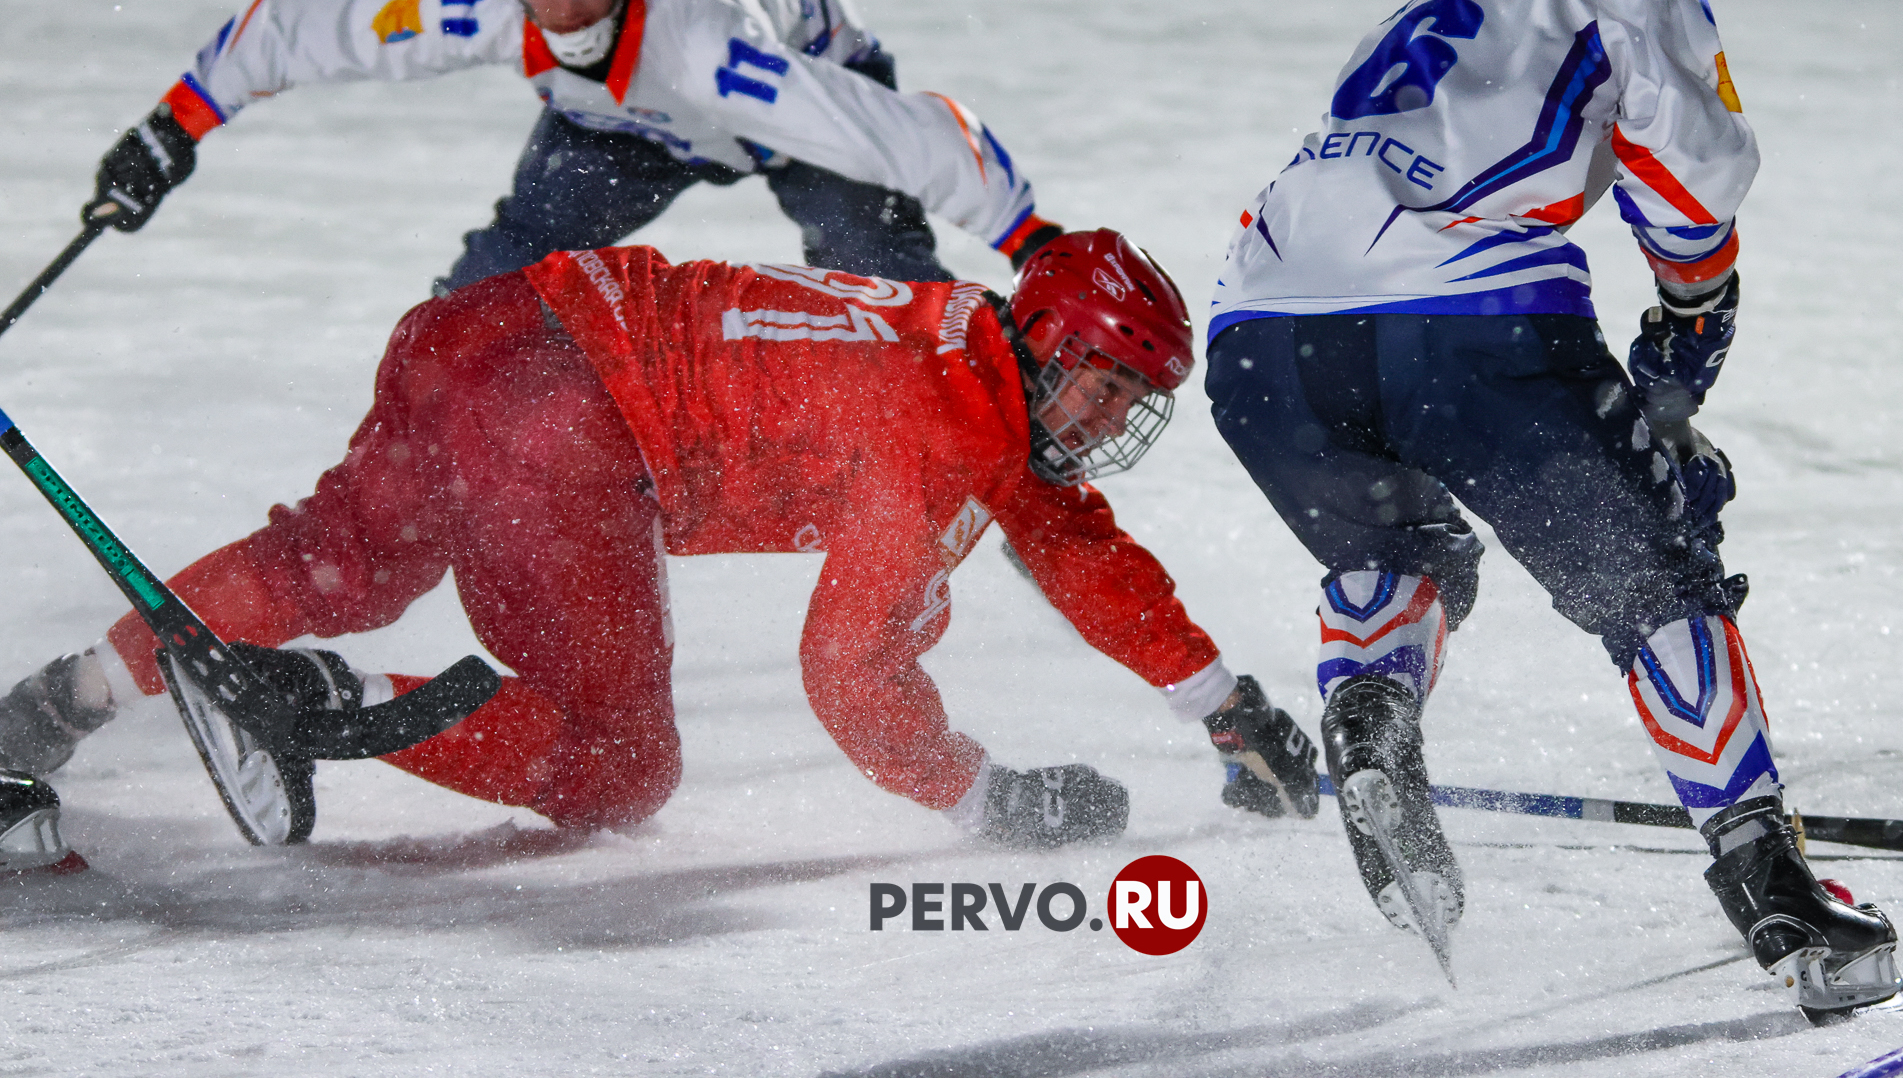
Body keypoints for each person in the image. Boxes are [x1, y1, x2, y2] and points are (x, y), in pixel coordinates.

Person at [1202, 0, 1903, 1015]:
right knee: (1656, 583)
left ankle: (1370, 717)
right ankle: (1775, 890)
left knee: (1398, 547)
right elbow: (1690, 186)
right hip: (1460, 321)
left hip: (1262, 331)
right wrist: (1688, 331)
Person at [0, 232, 1320, 849]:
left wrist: (1222, 699)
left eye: (1126, 399)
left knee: (331, 560)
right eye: (1094, 377)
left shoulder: (967, 340)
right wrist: (985, 794)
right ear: (1041, 338)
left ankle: (68, 697)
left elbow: (1070, 535)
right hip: (570, 421)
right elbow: (849, 677)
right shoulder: (944, 430)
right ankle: (323, 700)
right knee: (620, 761)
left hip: (491, 325)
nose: (1100, 416)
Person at [82, 0, 1064, 292]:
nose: (562, 4)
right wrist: (173, 127)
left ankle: (990, 435)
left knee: (877, 274)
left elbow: (885, 131)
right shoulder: (482, 0)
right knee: (492, 297)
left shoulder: (705, 46)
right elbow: (298, 27)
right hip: (625, 126)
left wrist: (1027, 234)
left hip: (796, 78)